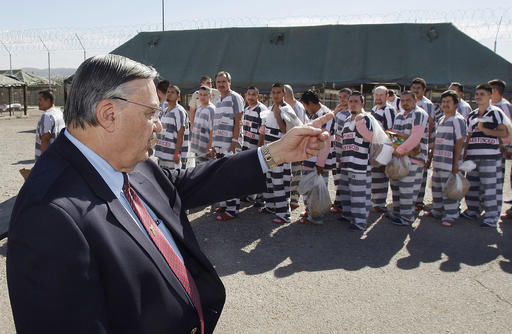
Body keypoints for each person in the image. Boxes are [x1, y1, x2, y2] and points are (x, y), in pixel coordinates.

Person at [7, 54, 332, 334]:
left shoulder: (128, 160)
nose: (160, 125)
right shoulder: (48, 216)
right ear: (108, 115)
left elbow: (185, 182)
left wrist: (274, 153)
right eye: (150, 114)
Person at [462, 83, 507, 228]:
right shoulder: (472, 114)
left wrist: (487, 131)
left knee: (490, 188)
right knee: (472, 186)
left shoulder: (495, 112)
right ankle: (473, 211)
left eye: (482, 94)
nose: (478, 97)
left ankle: (491, 217)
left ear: (490, 95)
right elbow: (468, 136)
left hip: (490, 157)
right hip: (473, 156)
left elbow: (503, 132)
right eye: (477, 94)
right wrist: (465, 154)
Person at [424, 90, 467, 227]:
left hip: (450, 164)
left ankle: (451, 215)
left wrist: (456, 164)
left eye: (449, 102)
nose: (445, 104)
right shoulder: (441, 119)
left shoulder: (458, 120)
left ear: (456, 104)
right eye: (443, 102)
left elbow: (460, 142)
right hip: (439, 163)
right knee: (436, 189)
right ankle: (437, 211)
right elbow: (436, 141)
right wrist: (430, 158)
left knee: (450, 190)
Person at [389, 91, 429, 226]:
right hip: (398, 158)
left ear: (415, 100)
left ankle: (406, 218)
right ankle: (398, 214)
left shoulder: (419, 114)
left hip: (414, 158)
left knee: (407, 190)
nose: (405, 103)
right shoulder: (399, 116)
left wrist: (400, 150)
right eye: (402, 100)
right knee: (396, 188)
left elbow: (416, 137)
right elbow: (395, 137)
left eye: (408, 100)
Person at [258, 83, 293, 223]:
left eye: (279, 92)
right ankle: (271, 206)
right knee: (269, 179)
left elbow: (288, 131)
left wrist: (279, 116)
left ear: (284, 93)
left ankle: (284, 213)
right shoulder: (270, 108)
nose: (276, 95)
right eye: (273, 92)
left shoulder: (287, 109)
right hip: (268, 148)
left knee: (280, 181)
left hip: (280, 150)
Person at [212, 71, 245, 221]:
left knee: (231, 176)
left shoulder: (235, 97)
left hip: (230, 145)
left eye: (223, 82)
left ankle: (232, 210)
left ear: (229, 83)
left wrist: (234, 141)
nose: (221, 84)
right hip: (219, 144)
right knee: (222, 175)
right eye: (218, 82)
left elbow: (238, 121)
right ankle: (225, 204)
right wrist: (214, 144)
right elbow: (217, 123)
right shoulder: (218, 100)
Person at [339, 91, 374, 231]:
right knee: (346, 191)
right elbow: (344, 141)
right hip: (347, 162)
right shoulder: (347, 120)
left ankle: (359, 222)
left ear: (362, 104)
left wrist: (360, 122)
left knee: (359, 195)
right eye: (351, 101)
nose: (353, 104)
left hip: (360, 165)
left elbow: (371, 138)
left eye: (356, 102)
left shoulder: (366, 119)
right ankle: (348, 215)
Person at [299, 90, 334, 225]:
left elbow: (326, 141)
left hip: (319, 161)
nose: (306, 109)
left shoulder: (326, 116)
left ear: (312, 103)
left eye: (306, 106)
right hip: (309, 158)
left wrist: (321, 163)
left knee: (317, 190)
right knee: (307, 187)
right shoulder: (312, 115)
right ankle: (309, 211)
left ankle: (316, 217)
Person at [410, 77, 437, 211]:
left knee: (421, 172)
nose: (415, 90)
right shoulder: (407, 102)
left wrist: (427, 146)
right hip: (408, 143)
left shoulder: (428, 104)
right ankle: (409, 201)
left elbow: (430, 124)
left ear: (424, 90)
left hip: (422, 143)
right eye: (413, 88)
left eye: (418, 88)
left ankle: (418, 202)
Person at [370, 86, 395, 213]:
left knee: (381, 175)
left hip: (384, 147)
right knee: (373, 175)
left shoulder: (389, 110)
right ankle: (374, 202)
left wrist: (386, 151)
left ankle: (380, 204)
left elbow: (390, 131)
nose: (378, 97)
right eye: (376, 94)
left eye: (381, 95)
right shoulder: (374, 109)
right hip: (374, 146)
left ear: (386, 96)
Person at [241, 86, 267, 207]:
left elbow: (263, 131)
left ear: (258, 96)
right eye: (248, 94)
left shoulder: (261, 110)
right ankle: (250, 195)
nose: (250, 97)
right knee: (248, 172)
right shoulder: (246, 108)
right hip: (246, 146)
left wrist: (259, 148)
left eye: (253, 94)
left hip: (256, 147)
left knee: (260, 172)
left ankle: (261, 199)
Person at [154, 85, 189, 169]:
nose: (169, 94)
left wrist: (177, 153)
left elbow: (181, 134)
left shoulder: (179, 111)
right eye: (168, 92)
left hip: (173, 157)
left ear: (178, 96)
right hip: (163, 154)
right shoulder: (164, 110)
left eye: (172, 92)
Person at [284, 84, 306, 209]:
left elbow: (301, 128)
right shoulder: (284, 107)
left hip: (297, 145)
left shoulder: (298, 107)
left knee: (296, 173)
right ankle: (287, 197)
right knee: (287, 173)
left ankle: (294, 199)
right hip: (286, 145)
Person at [332, 88, 352, 213]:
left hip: (344, 152)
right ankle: (339, 202)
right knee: (337, 178)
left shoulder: (350, 114)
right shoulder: (338, 112)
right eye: (341, 97)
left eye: (345, 96)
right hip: (335, 150)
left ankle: (342, 204)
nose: (342, 99)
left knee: (343, 178)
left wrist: (343, 155)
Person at [35, 90, 65, 161]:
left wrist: (43, 162)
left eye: (40, 100)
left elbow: (45, 139)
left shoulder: (47, 116)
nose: (38, 103)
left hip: (49, 159)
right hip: (58, 156)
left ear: (48, 101)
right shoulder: (59, 112)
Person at [189, 86, 215, 165]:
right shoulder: (199, 108)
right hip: (198, 147)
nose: (202, 97)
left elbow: (212, 130)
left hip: (206, 148)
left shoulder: (211, 110)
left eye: (205, 95)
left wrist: (209, 147)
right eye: (201, 94)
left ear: (210, 96)